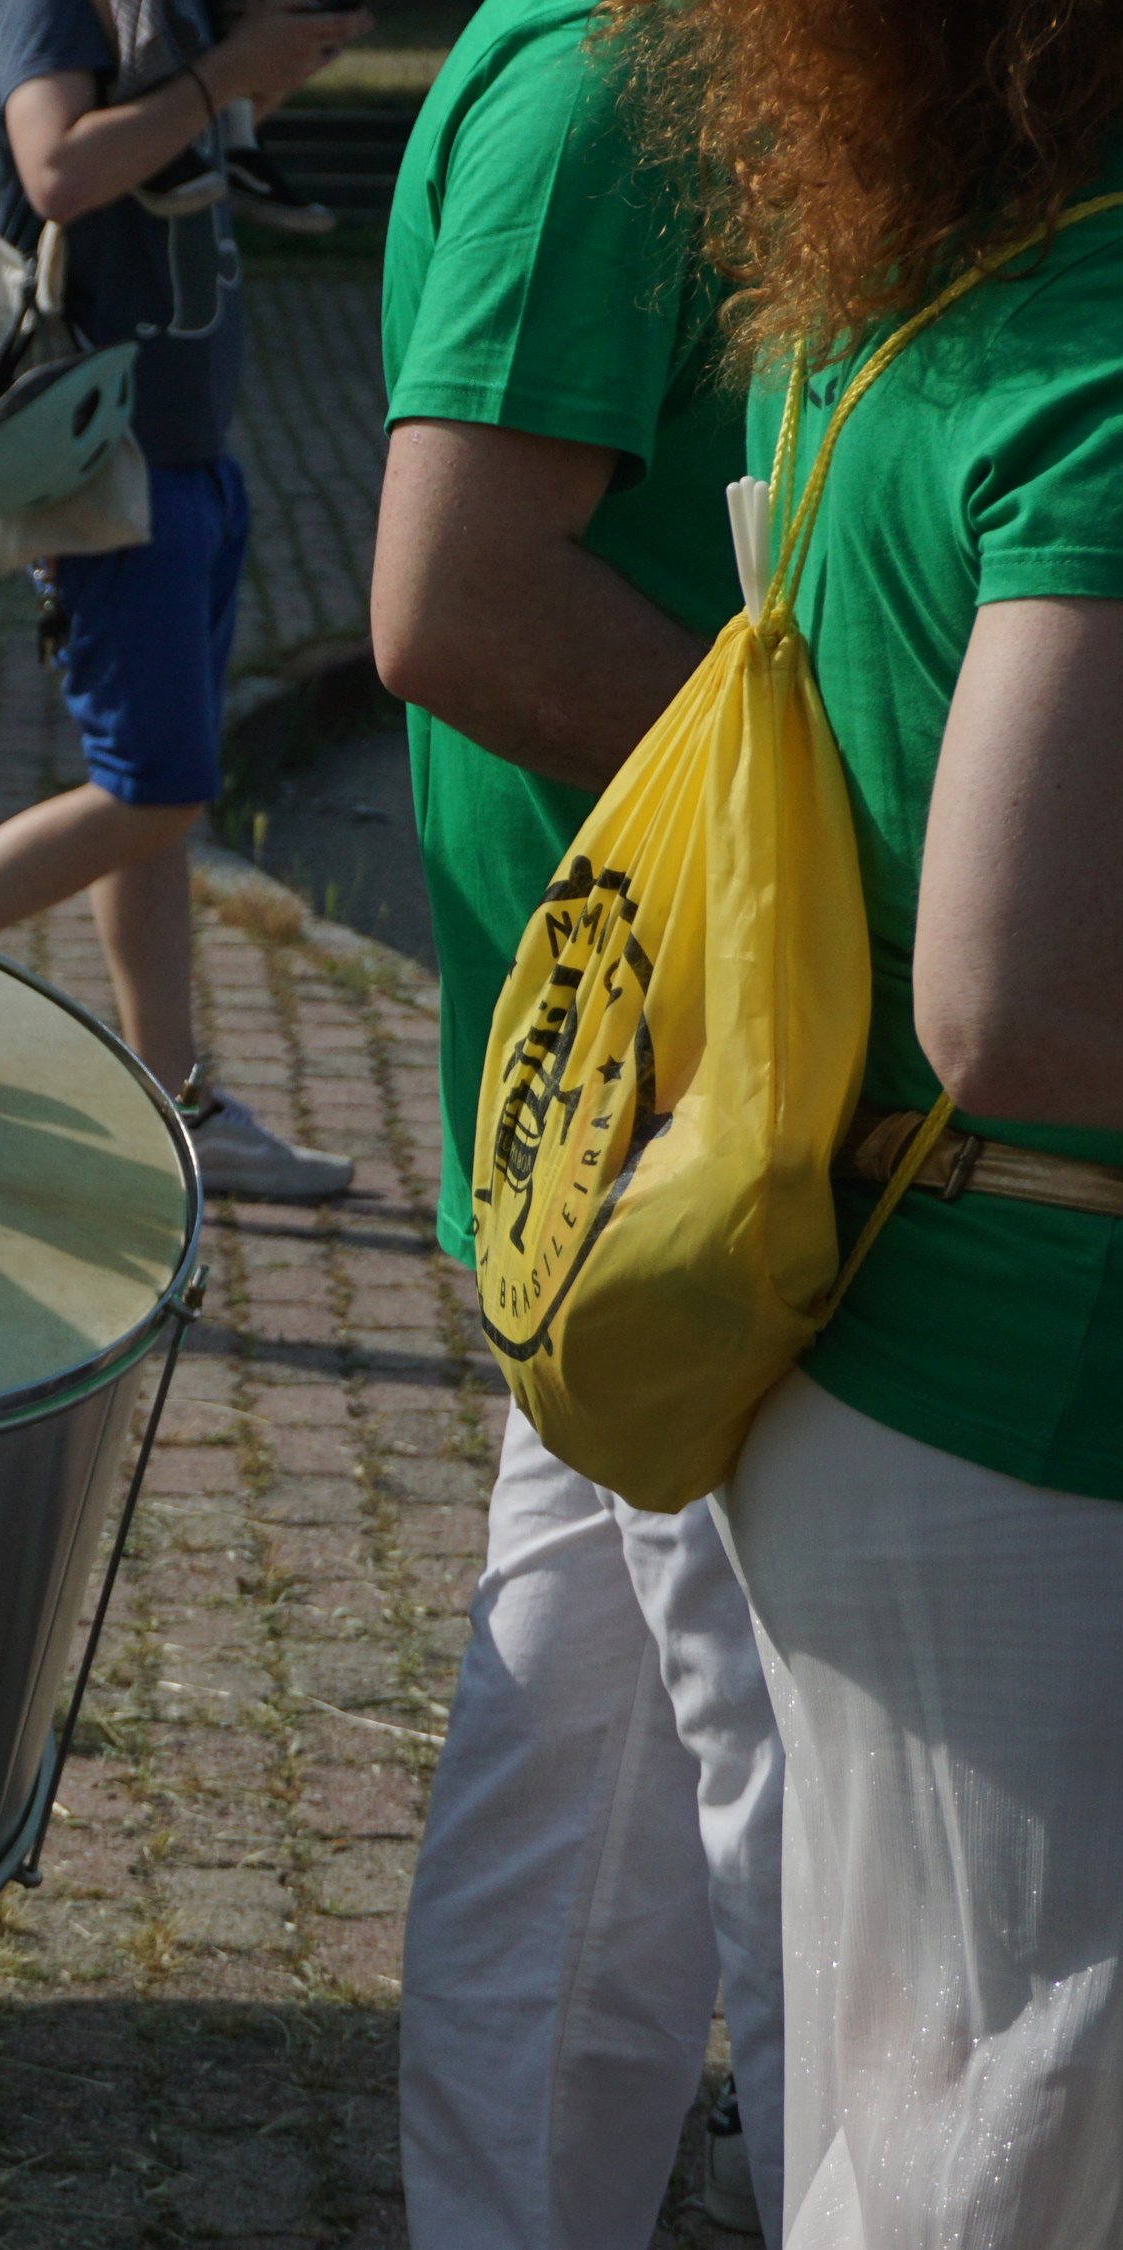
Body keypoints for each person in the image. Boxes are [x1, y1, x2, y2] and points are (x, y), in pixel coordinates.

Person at [609, 0, 1123, 2239]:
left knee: (898, 2107)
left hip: (863, 1335)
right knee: (1009, 2151)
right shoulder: (1096, 343)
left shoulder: (907, 294)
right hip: (1038, 1385)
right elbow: (1016, 1005)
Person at [367, 1, 781, 2238]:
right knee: (819, 1829)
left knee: (598, 1780)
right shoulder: (617, 74)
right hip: (703, 1091)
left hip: (685, 1091)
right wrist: (838, 861)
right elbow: (446, 602)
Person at [0, 0, 365, 1197]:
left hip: (184, 449)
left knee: (157, 803)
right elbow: (60, 168)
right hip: (104, 463)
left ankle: (173, 1099)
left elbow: (182, 144)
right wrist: (229, 67)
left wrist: (269, 64)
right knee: (156, 790)